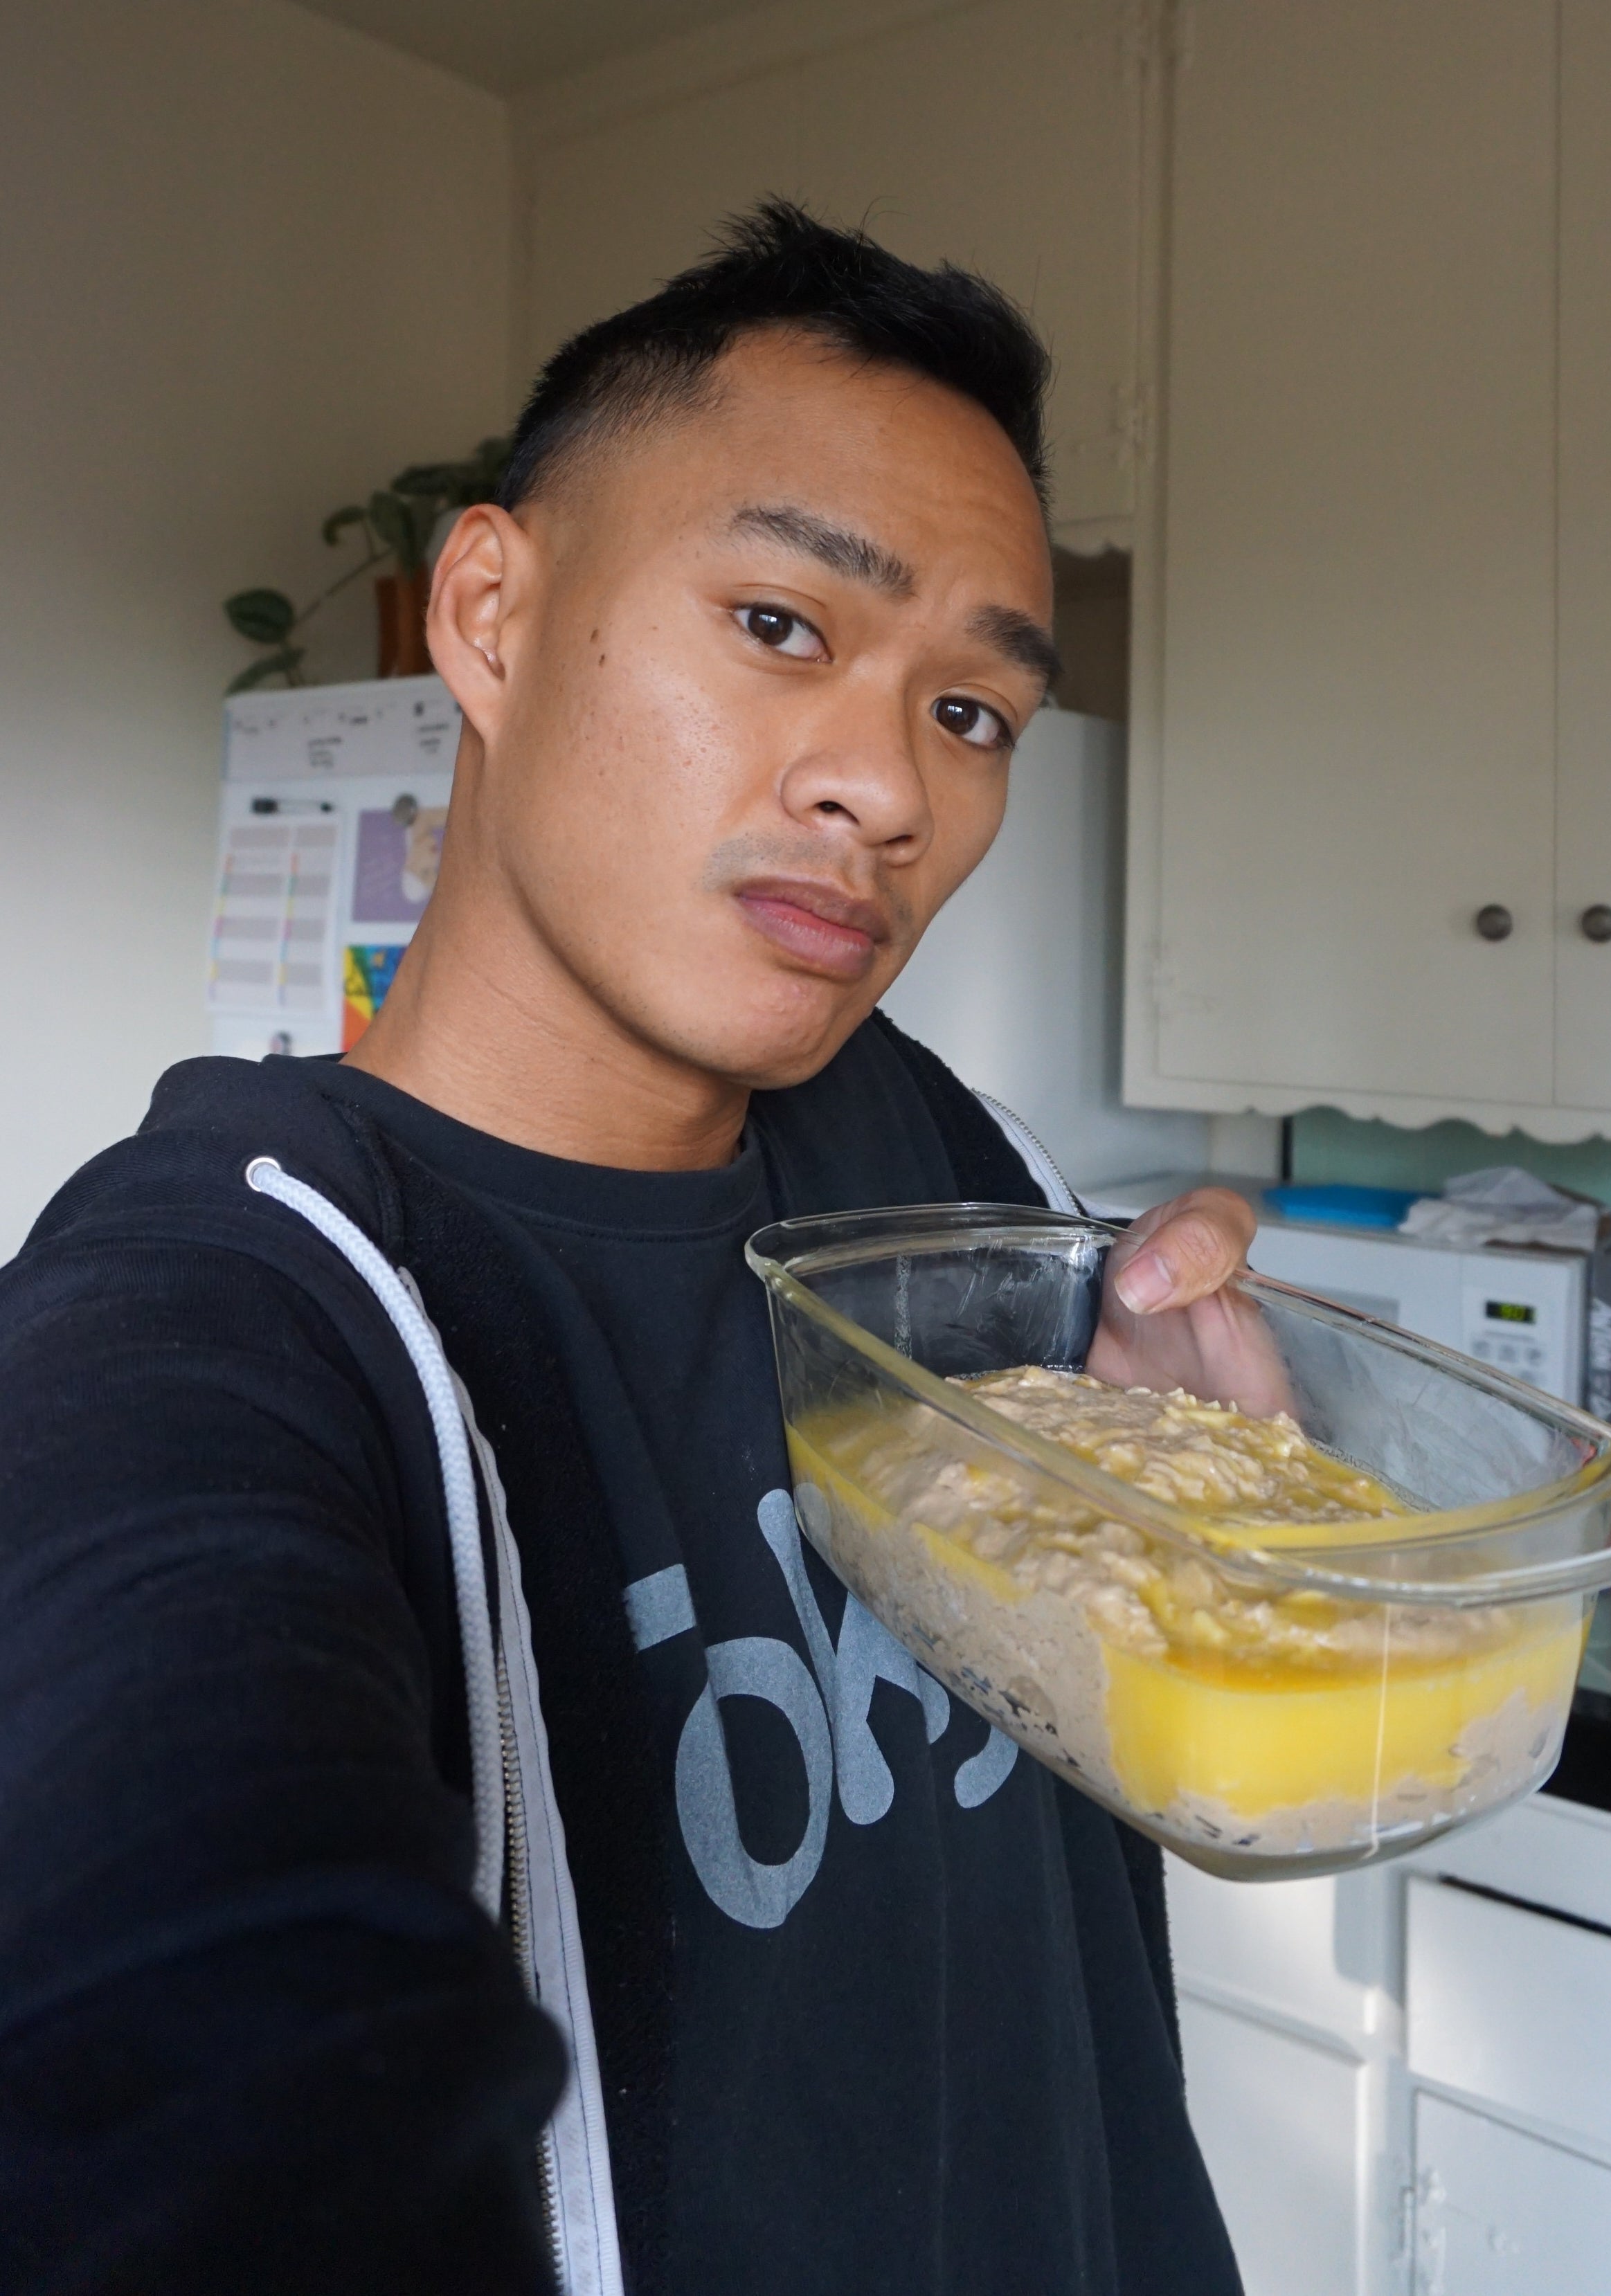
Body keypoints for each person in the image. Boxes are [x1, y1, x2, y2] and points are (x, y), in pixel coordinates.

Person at [0, 205, 1254, 2295]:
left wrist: (1168, 1531)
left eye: (973, 714)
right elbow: (192, 1994)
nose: (886, 788)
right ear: (486, 612)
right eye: (781, 624)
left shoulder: (952, 1158)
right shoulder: (234, 1319)